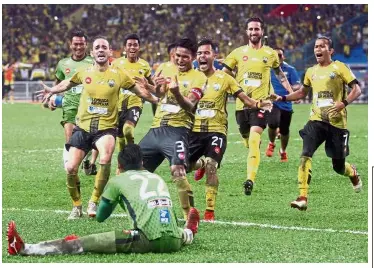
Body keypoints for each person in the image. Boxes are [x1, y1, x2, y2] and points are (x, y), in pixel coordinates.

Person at [37, 36, 158, 220]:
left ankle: (94, 200)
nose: (101, 50)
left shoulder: (119, 74)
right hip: (83, 127)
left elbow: (140, 92)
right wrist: (52, 90)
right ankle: (77, 206)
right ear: (92, 53)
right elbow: (66, 83)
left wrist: (158, 100)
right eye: (97, 48)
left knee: (106, 158)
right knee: (70, 168)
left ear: (110, 52)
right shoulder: (84, 72)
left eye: (104, 47)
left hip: (106, 128)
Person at [7, 144, 200, 255]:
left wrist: (115, 197)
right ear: (142, 163)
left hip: (145, 239)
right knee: (171, 231)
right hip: (174, 239)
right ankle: (189, 232)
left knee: (82, 243)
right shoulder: (156, 177)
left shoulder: (118, 180)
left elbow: (100, 217)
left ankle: (26, 249)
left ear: (120, 165)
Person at [272, 36, 362, 210]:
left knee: (338, 167)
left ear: (331, 51)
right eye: (315, 47)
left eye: (322, 46)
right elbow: (301, 93)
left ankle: (353, 173)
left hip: (337, 123)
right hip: (316, 120)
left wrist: (343, 103)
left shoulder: (340, 67)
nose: (317, 50)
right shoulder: (310, 71)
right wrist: (282, 97)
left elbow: (356, 89)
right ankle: (302, 197)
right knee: (305, 153)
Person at [189, 38, 272, 221]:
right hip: (194, 130)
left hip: (216, 130)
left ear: (214, 56)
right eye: (199, 53)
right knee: (183, 166)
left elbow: (245, 99)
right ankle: (200, 164)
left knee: (212, 166)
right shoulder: (192, 77)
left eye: (206, 52)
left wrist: (259, 103)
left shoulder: (225, 78)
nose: (202, 56)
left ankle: (209, 211)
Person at [135, 38, 207, 220]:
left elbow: (190, 104)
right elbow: (160, 94)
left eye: (185, 57)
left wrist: (175, 92)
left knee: (178, 170)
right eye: (177, 56)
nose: (180, 60)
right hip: (156, 127)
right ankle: (142, 210)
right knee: (136, 170)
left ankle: (190, 218)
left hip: (178, 129)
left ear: (193, 59)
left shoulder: (199, 77)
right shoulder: (165, 68)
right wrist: (153, 86)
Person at [222, 17, 294, 196]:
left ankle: (250, 179)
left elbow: (280, 75)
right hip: (242, 104)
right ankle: (249, 142)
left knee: (254, 141)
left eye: (257, 29)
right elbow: (224, 74)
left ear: (262, 31)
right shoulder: (237, 53)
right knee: (246, 138)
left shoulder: (270, 54)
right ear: (247, 32)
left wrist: (291, 93)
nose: (254, 32)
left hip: (262, 104)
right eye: (251, 29)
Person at [48, 29, 98, 175]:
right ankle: (70, 168)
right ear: (70, 45)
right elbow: (58, 83)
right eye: (75, 44)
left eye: (81, 44)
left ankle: (87, 159)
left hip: (90, 107)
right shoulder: (63, 64)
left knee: (91, 139)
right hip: (69, 104)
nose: (79, 47)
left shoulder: (93, 62)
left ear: (86, 45)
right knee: (70, 138)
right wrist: (52, 97)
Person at [112, 33, 154, 175]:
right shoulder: (116, 64)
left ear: (139, 47)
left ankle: (132, 161)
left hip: (136, 102)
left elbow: (151, 84)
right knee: (120, 136)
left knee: (128, 130)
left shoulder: (144, 65)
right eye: (129, 45)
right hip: (118, 105)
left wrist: (150, 87)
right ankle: (122, 163)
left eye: (135, 44)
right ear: (125, 48)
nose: (132, 47)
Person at [265, 48, 301, 162]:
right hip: (273, 102)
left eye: (280, 55)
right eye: (275, 55)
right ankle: (271, 143)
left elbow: (297, 85)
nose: (278, 57)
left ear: (283, 57)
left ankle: (283, 151)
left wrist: (291, 91)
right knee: (272, 123)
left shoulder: (290, 69)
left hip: (286, 103)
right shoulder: (267, 69)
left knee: (285, 131)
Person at [152, 42, 178, 115]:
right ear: (172, 53)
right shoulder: (162, 66)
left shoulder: (182, 67)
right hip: (165, 100)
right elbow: (155, 81)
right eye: (177, 52)